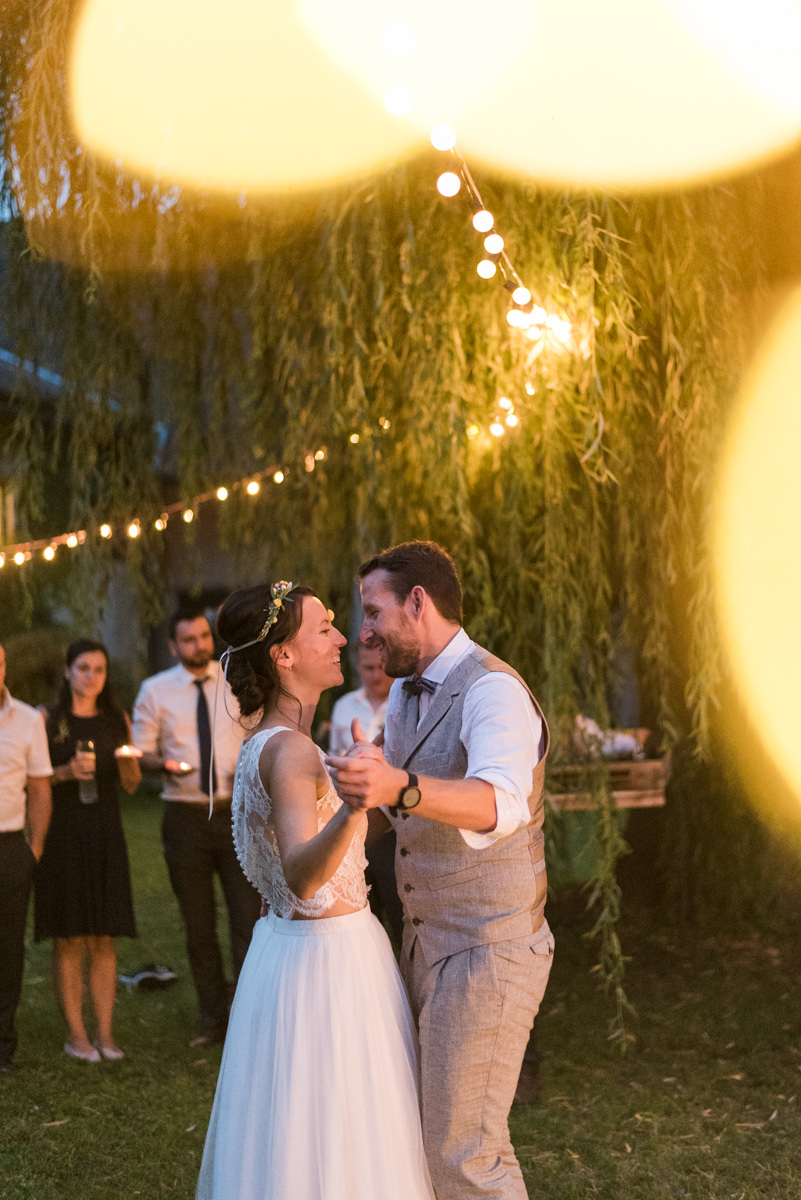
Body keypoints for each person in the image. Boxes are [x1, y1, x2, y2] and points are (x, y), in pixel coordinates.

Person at [326, 540, 554, 1200]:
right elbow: (394, 810)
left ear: (418, 602)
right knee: (429, 1138)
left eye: (372, 612)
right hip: (427, 943)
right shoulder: (402, 693)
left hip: (490, 947)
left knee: (465, 1153)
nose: (362, 633)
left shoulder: (494, 690)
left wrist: (395, 784)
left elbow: (499, 803)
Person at [196, 582, 434, 1200]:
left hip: (289, 954)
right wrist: (353, 807)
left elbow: (335, 846)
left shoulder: (270, 742)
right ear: (283, 655)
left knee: (300, 1132)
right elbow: (304, 873)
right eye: (323, 627)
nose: (343, 639)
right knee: (347, 1129)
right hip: (329, 962)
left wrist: (378, 778)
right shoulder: (294, 752)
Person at [132, 608, 261, 1047]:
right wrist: (162, 764)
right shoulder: (155, 691)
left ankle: (247, 1017)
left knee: (247, 919)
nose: (199, 645)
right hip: (185, 815)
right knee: (198, 923)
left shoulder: (235, 680)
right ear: (173, 646)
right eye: (188, 640)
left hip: (234, 811)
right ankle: (212, 1020)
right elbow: (140, 751)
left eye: (204, 637)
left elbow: (259, 733)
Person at [35, 638, 140, 1063]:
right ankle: (76, 1035)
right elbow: (34, 778)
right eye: (83, 668)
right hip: (62, 834)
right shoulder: (48, 718)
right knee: (70, 934)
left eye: (99, 669)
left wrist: (132, 765)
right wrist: (63, 771)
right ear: (67, 671)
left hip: (104, 834)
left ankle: (106, 1033)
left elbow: (131, 784)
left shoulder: (117, 719)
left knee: (103, 934)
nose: (91, 676)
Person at [0, 641, 52, 1072]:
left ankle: (3, 1044)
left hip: (9, 846)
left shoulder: (27, 719)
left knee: (7, 946)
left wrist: (33, 850)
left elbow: (39, 788)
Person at [329, 644, 402, 944]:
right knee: (362, 913)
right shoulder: (344, 706)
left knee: (398, 909)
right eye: (368, 668)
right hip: (353, 821)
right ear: (358, 667)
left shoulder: (403, 704)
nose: (375, 675)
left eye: (381, 668)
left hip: (394, 823)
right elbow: (333, 757)